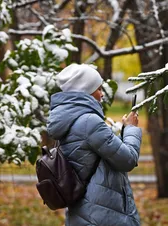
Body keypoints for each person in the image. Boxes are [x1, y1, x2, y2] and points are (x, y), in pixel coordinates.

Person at [47, 63, 142, 226]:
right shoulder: (90, 122)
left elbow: (100, 155)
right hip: (103, 214)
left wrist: (122, 131)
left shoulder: (71, 120)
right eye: (99, 89)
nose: (102, 94)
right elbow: (127, 160)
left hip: (85, 211)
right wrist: (132, 129)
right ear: (86, 91)